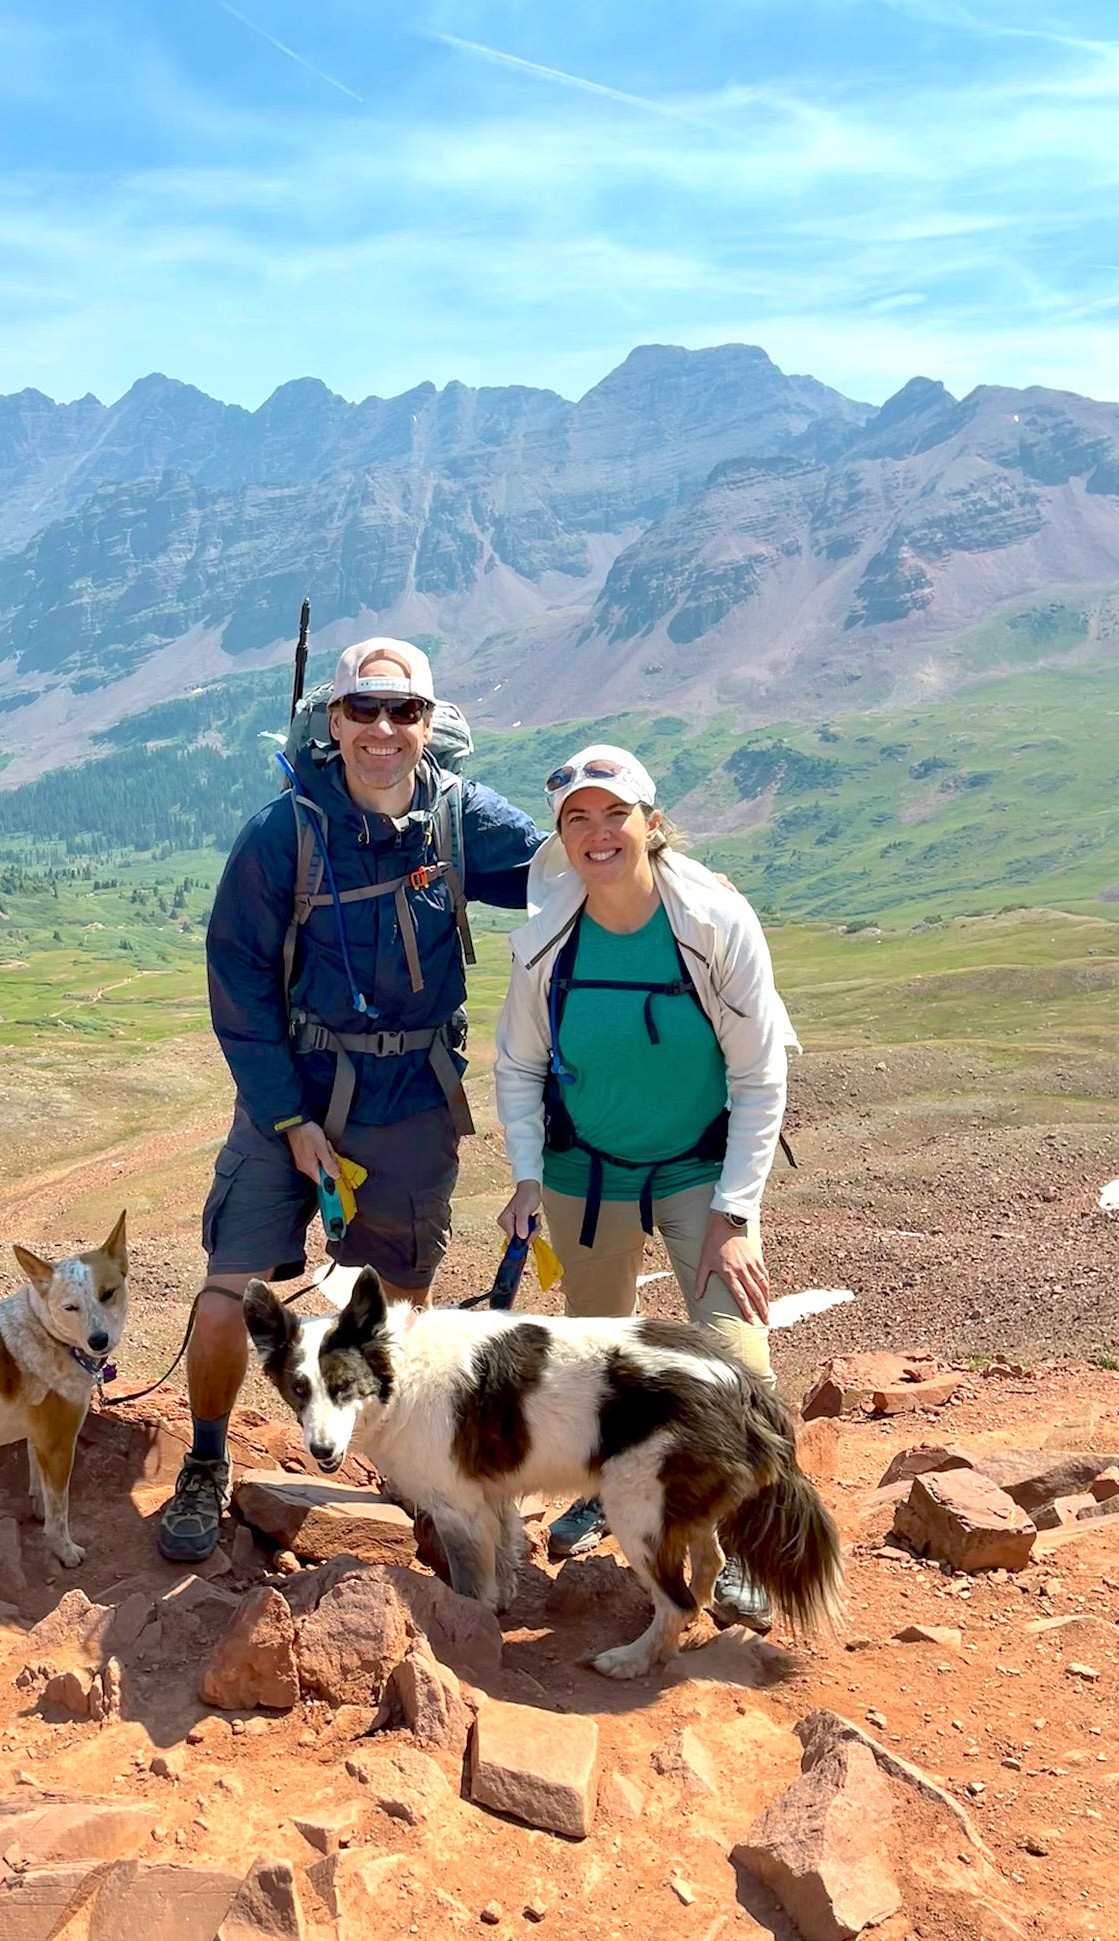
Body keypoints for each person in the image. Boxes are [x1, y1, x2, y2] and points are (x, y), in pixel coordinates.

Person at [158, 638, 543, 1562]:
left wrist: (680, 881)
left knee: (396, 1309)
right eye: (362, 709)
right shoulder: (282, 833)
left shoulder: (458, 820)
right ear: (333, 722)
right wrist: (288, 1120)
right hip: (288, 1089)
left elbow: (573, 863)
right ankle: (206, 1463)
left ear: (427, 723)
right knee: (228, 1298)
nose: (381, 728)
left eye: (402, 711)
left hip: (411, 1097)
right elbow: (239, 983)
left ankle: (409, 1469)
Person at [493, 744, 798, 1630]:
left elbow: (760, 1074)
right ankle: (614, 1494)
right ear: (560, 836)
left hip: (702, 1169)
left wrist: (736, 1219)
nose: (597, 833)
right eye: (577, 819)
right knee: (597, 1363)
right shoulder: (547, 935)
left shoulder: (713, 921)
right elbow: (518, 1065)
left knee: (735, 1361)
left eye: (614, 814)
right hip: (585, 1174)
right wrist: (521, 1176)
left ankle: (751, 1549)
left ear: (651, 824)